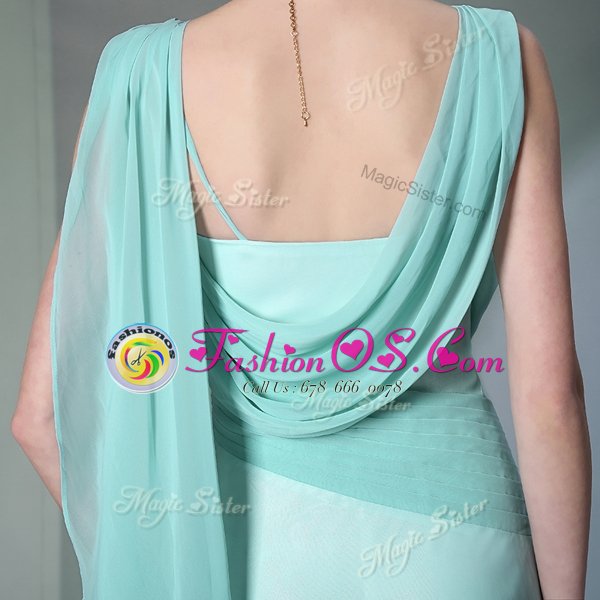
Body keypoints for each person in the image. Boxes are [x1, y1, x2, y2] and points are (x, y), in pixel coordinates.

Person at [12, 1, 591, 598]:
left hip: (242, 550)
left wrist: (156, 559)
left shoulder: (139, 79)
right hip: (458, 546)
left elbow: (40, 418)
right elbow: (549, 398)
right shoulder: (500, 54)